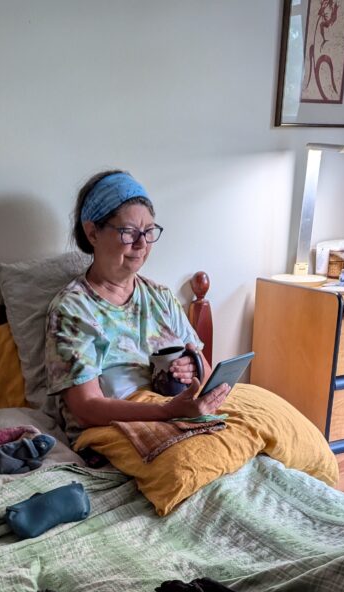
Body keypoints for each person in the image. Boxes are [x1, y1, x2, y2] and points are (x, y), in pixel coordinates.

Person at [45, 170, 230, 438]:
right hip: (113, 431)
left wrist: (193, 370)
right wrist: (167, 412)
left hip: (179, 418)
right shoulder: (72, 310)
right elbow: (85, 409)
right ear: (92, 233)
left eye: (149, 231)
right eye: (129, 232)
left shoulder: (161, 297)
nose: (142, 244)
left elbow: (207, 372)